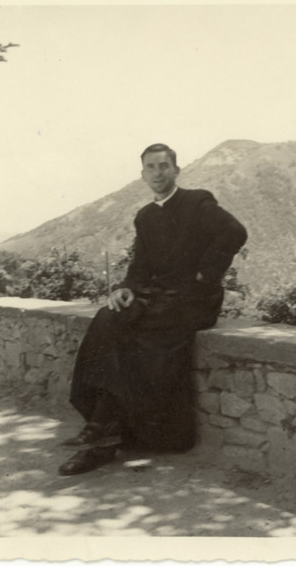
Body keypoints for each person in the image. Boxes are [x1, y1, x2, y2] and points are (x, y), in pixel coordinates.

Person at [58, 143, 247, 476]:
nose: (158, 173)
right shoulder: (145, 216)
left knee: (135, 336)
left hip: (195, 301)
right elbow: (141, 264)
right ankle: (100, 425)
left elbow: (235, 232)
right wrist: (125, 288)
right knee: (108, 318)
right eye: (151, 167)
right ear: (142, 174)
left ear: (176, 170)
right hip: (160, 298)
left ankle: (101, 433)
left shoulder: (197, 202)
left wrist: (206, 274)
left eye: (163, 166)